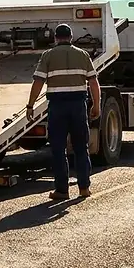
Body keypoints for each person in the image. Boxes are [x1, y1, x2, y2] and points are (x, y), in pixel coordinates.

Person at [25, 23, 101, 200]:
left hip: (57, 107)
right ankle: (84, 188)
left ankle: (62, 190)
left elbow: (38, 82)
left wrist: (30, 105)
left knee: (58, 149)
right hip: (78, 105)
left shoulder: (48, 56)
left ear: (55, 38)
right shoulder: (83, 55)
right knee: (81, 147)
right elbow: (93, 83)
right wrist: (96, 104)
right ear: (71, 37)